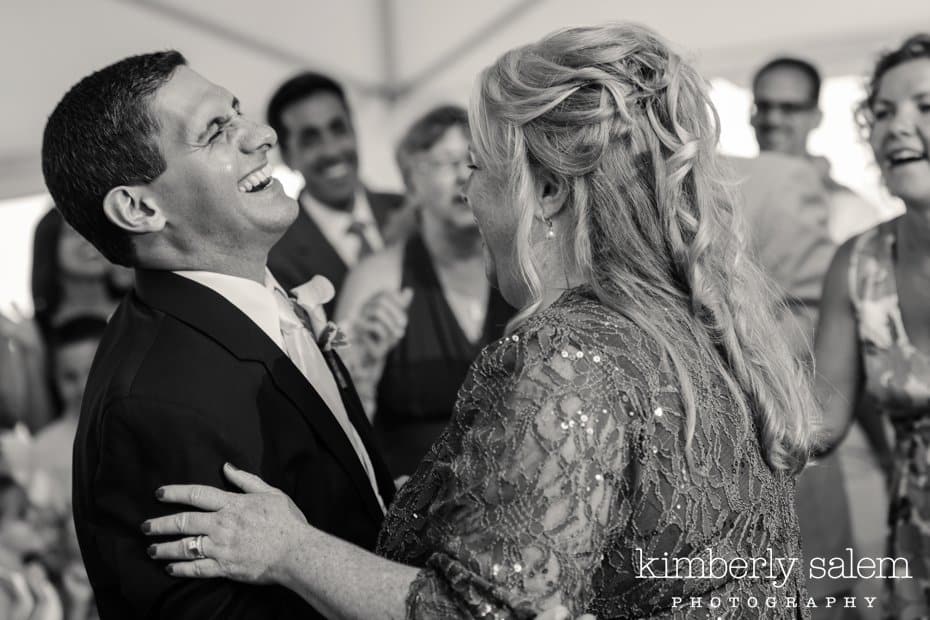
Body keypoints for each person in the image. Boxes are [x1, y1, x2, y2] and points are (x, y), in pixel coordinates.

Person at [144, 23, 817, 618]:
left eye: (477, 167)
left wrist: (289, 550)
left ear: (547, 191)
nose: (468, 193)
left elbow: (479, 613)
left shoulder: (567, 353)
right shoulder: (695, 320)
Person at [42, 51, 397, 619]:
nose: (263, 135)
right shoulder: (155, 403)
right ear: (138, 207)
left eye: (238, 113)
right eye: (215, 132)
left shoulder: (256, 300)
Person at [813, 33, 930, 620]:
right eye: (882, 113)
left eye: (924, 107)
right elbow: (817, 425)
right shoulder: (858, 265)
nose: (896, 126)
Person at [335, 105, 514, 475]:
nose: (464, 176)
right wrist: (364, 361)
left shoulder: (523, 274)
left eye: (474, 160)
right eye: (448, 162)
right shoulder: (375, 279)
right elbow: (338, 416)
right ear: (411, 183)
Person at [266, 72, 407, 314]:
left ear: (354, 131)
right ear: (287, 157)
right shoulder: (277, 256)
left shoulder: (406, 210)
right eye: (310, 139)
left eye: (338, 129)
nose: (331, 150)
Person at [751, 56, 885, 243]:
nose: (773, 119)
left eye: (789, 108)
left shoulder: (850, 209)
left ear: (816, 117)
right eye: (763, 106)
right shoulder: (724, 195)